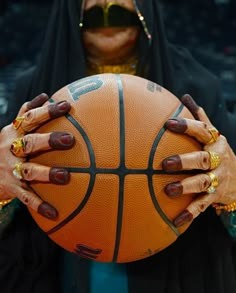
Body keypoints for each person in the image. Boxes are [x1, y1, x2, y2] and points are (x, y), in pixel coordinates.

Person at [0, 0, 236, 292]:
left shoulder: (199, 87)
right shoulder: (31, 90)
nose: (107, 4)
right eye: (95, 8)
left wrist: (231, 194)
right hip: (60, 270)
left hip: (179, 270)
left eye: (120, 8)